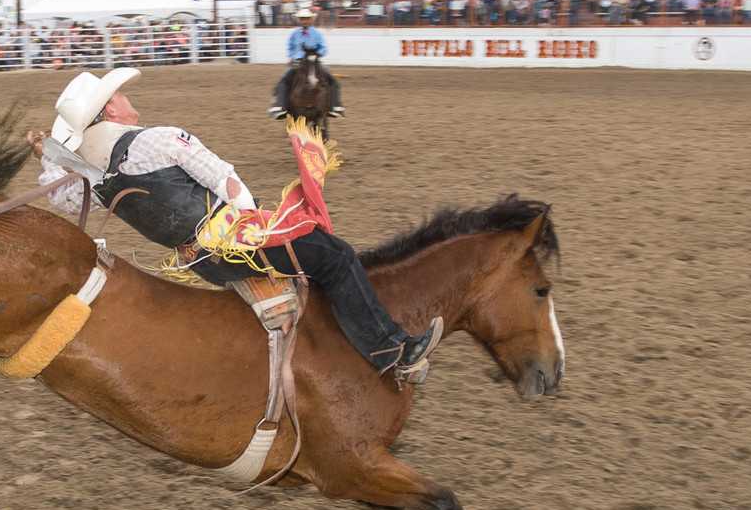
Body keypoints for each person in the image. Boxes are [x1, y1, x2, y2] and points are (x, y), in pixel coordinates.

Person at [26, 69, 441, 385]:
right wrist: (260, 223)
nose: (126, 97)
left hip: (201, 262)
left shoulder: (98, 176)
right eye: (119, 95)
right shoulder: (160, 139)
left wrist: (51, 157)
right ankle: (393, 352)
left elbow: (62, 197)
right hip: (236, 241)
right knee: (336, 257)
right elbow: (225, 180)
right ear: (112, 111)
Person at [267, 8, 344, 120]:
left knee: (331, 79)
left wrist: (317, 54)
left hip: (313, 61)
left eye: (306, 19)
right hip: (298, 62)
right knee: (283, 79)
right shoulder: (294, 34)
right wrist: (292, 57)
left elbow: (323, 47)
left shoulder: (316, 33)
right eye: (302, 19)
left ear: (310, 20)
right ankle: (279, 107)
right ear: (299, 20)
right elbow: (290, 47)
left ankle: (334, 107)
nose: (304, 21)